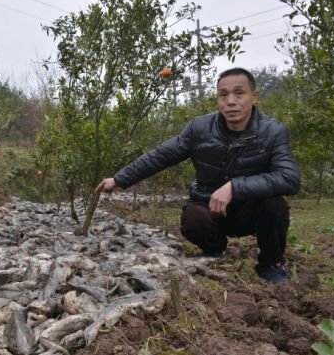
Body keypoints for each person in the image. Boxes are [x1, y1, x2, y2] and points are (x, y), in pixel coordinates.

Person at [95, 67, 300, 284]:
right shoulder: (199, 129)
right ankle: (214, 250)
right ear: (218, 98)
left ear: (254, 96)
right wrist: (119, 179)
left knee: (275, 207)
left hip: (251, 210)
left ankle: (271, 264)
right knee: (194, 219)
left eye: (239, 93)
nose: (231, 101)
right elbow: (161, 155)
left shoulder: (273, 131)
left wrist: (234, 187)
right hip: (210, 206)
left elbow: (289, 178)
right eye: (224, 95)